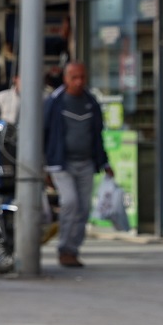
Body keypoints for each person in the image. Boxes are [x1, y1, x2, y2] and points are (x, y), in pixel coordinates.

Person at [41, 60, 110, 268]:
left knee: (84, 207)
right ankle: (64, 248)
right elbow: (44, 134)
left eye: (82, 77)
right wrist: (43, 166)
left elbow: (97, 134)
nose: (79, 82)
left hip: (86, 162)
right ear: (65, 78)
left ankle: (73, 249)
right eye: (74, 77)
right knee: (70, 202)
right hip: (61, 163)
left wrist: (104, 162)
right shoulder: (55, 102)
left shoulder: (91, 102)